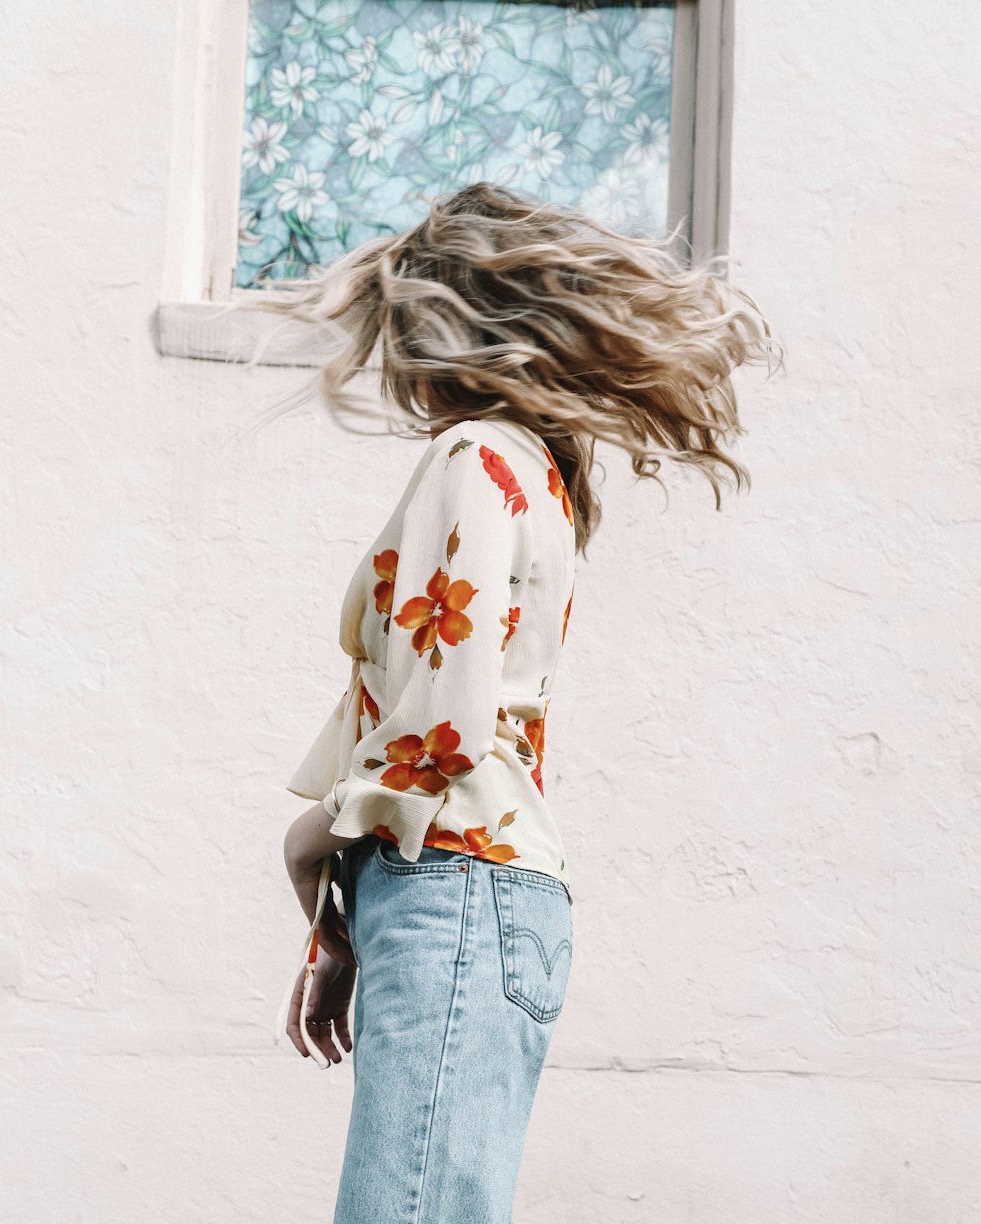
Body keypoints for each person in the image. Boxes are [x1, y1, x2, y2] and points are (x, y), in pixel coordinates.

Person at [259, 182, 779, 1223]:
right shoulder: (536, 470)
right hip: (483, 896)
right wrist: (348, 922)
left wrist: (309, 846)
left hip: (450, 886)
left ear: (444, 321)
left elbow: (441, 732)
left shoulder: (473, 456)